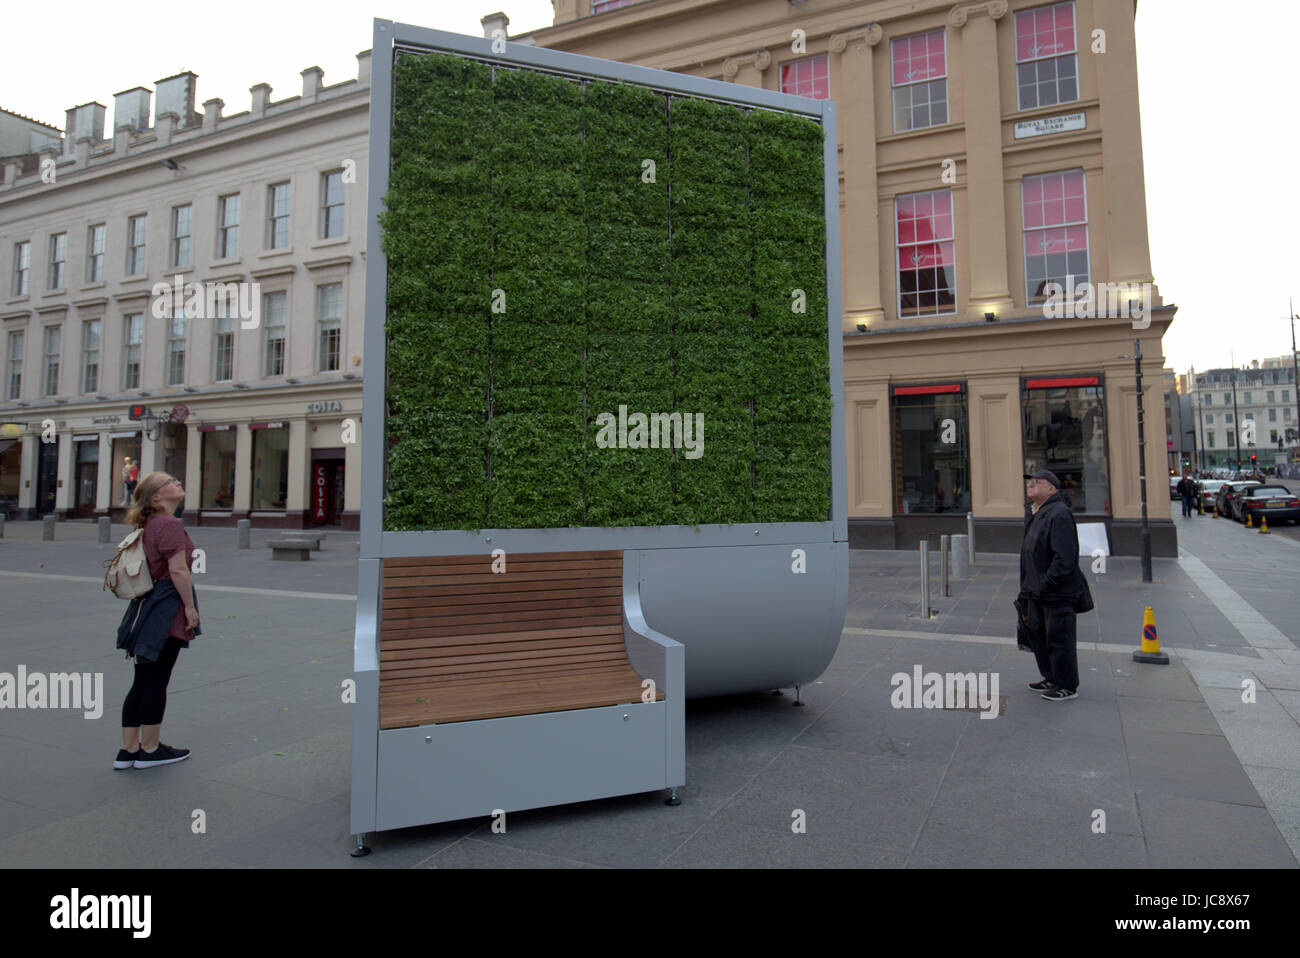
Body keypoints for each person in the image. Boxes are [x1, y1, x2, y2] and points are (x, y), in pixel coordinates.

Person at [114, 471, 200, 769]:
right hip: (165, 607)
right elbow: (178, 571)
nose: (177, 481)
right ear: (156, 497)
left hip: (146, 607)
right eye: (169, 482)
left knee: (142, 680)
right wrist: (189, 607)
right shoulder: (169, 523)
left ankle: (128, 751)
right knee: (157, 680)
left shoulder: (151, 523)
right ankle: (150, 750)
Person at [1016, 468, 1090, 701]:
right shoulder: (1035, 512)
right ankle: (1051, 677)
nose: (1031, 485)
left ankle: (1067, 685)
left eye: (1037, 482)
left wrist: (1047, 583)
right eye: (1030, 482)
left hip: (1056, 591)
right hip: (1035, 589)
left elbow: (1065, 558)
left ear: (1051, 488)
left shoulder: (1059, 513)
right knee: (1040, 636)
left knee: (1060, 638)